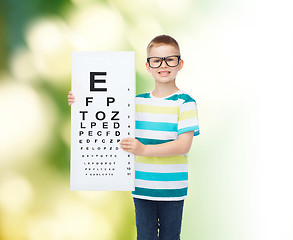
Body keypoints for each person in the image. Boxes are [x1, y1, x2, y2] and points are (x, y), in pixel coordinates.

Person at [68, 34, 200, 240]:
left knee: (170, 237)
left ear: (179, 63)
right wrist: (80, 100)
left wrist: (144, 150)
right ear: (148, 66)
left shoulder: (185, 102)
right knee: (144, 236)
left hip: (172, 188)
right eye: (156, 60)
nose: (163, 65)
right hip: (141, 186)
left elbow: (183, 145)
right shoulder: (135, 102)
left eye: (170, 59)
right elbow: (102, 106)